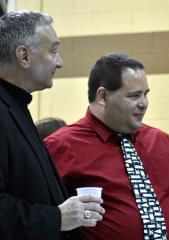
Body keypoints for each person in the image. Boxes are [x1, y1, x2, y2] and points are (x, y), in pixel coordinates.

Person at [45, 53, 169, 240]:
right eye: (134, 95)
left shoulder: (163, 142)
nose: (143, 103)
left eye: (145, 94)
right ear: (102, 96)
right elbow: (44, 218)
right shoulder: (61, 146)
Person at [0, 11, 105, 239]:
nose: (60, 62)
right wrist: (57, 217)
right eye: (53, 51)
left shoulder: (16, 106)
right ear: (24, 56)